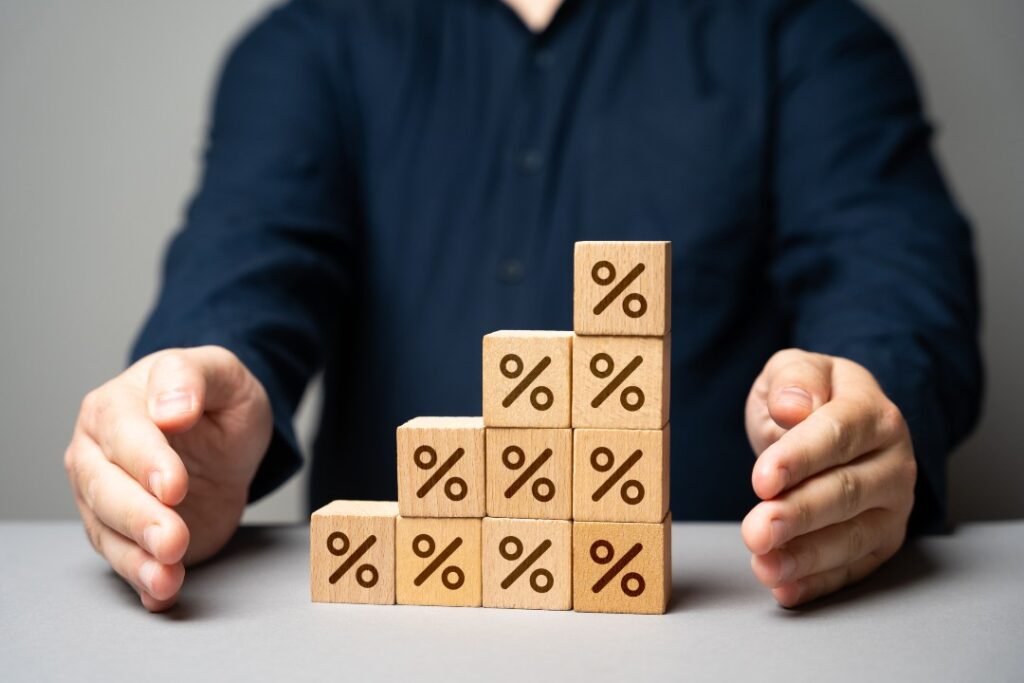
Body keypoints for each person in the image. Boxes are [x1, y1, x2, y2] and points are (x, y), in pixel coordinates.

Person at [63, 0, 981, 613]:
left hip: (727, 613)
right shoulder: (307, 44)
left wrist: (866, 405)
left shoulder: (809, 34)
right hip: (397, 627)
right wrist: (180, 422)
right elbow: (247, 259)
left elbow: (890, 273)